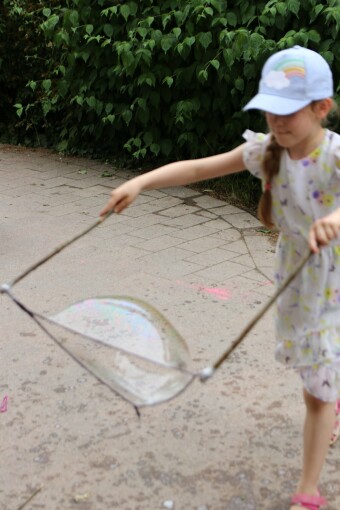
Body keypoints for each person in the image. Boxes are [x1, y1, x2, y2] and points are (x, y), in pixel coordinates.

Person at [100, 46, 340, 510]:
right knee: (317, 367)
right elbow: (198, 168)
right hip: (298, 276)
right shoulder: (265, 150)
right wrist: (140, 183)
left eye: (288, 112)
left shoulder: (334, 156)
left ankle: (308, 491)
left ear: (321, 108)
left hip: (335, 277)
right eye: (269, 110)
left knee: (316, 388)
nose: (277, 121)